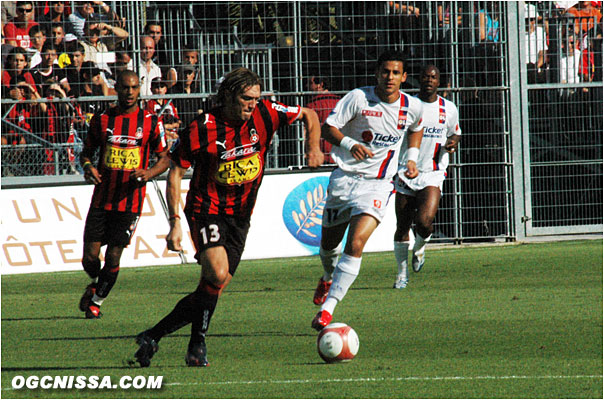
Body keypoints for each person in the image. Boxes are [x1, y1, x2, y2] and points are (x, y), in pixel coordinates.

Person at [133, 67, 323, 367]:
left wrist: (313, 147)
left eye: (256, 98)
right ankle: (196, 345)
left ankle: (154, 337)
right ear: (229, 96)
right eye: (247, 98)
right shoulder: (201, 127)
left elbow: (310, 115)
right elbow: (176, 172)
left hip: (240, 217)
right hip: (205, 210)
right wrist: (175, 223)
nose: (253, 104)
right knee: (217, 273)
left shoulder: (267, 112)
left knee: (212, 285)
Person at [310, 50, 424, 330]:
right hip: (344, 179)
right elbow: (328, 128)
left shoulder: (412, 106)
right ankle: (327, 276)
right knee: (328, 248)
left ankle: (328, 310)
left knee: (356, 243)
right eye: (385, 71)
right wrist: (350, 144)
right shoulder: (358, 98)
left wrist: (411, 156)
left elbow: (417, 127)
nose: (390, 77)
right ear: (377, 73)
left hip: (378, 184)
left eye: (396, 73)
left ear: (404, 77)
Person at [78, 70, 170, 319]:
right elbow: (85, 153)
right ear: (116, 88)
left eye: (133, 88)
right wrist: (88, 168)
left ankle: (97, 301)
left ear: (139, 89)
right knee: (89, 258)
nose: (129, 93)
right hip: (102, 197)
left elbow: (164, 159)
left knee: (115, 254)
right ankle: (97, 282)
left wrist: (149, 173)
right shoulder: (102, 119)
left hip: (130, 201)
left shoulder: (151, 121)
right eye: (124, 88)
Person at [392, 64, 461, 289]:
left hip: (433, 173)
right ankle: (402, 275)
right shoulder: (407, 105)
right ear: (417, 79)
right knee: (402, 226)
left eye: (433, 77)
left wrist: (452, 143)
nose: (429, 80)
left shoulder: (448, 108)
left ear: (439, 81)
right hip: (405, 171)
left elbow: (455, 134)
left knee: (424, 221)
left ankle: (420, 247)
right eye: (425, 76)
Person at [305, 75, 341, 163]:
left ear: (320, 85)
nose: (307, 86)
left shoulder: (313, 105)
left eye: (310, 83)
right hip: (339, 149)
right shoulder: (340, 102)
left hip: (321, 151)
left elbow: (307, 130)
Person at [146, 77, 181, 143]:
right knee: (168, 140)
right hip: (160, 134)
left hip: (174, 133)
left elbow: (178, 121)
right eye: (157, 87)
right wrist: (169, 132)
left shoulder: (169, 103)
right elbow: (153, 125)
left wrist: (171, 126)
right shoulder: (150, 104)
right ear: (151, 89)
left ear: (165, 89)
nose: (159, 89)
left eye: (162, 87)